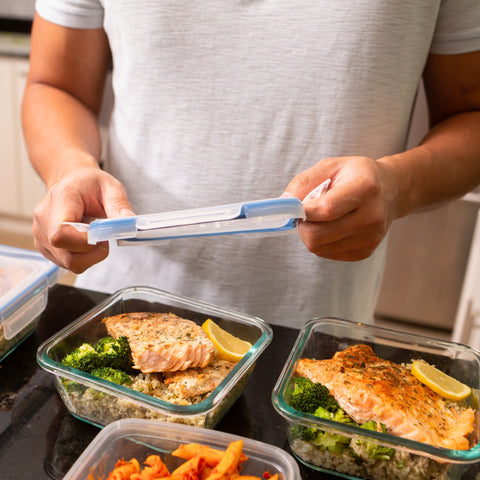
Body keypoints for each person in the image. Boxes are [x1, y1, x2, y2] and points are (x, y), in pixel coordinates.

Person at [22, 1, 480, 328]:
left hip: (314, 330)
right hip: (119, 307)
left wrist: (398, 185)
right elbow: (55, 83)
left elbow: (469, 115)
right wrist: (68, 168)